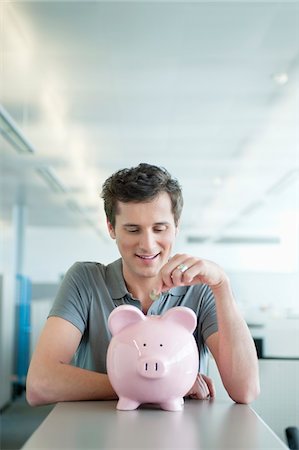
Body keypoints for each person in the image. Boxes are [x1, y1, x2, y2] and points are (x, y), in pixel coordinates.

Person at [26, 163, 260, 406]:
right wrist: (164, 384)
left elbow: (246, 390)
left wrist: (222, 285)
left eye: (159, 228)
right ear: (111, 228)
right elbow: (40, 384)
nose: (148, 245)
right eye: (133, 229)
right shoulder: (85, 281)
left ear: (176, 227)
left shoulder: (200, 290)